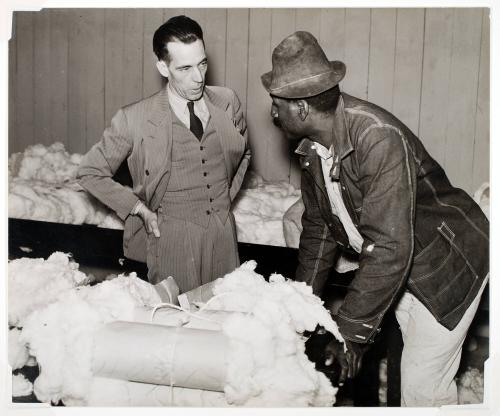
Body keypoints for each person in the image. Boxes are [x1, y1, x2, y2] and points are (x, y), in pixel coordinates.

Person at [261, 31, 489, 406]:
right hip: (403, 268)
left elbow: (389, 247)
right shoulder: (314, 149)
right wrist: (298, 307)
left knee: (422, 391)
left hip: (445, 267)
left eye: (276, 104)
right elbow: (318, 231)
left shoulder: (376, 138)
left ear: (301, 108)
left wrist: (350, 334)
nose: (272, 113)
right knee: (407, 382)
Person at [77, 15, 250, 293]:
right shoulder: (135, 118)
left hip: (222, 234)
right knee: (175, 323)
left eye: (202, 63)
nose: (198, 78)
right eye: (185, 68)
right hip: (171, 236)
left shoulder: (227, 102)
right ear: (163, 67)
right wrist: (138, 209)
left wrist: (225, 200)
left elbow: (244, 154)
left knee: (225, 320)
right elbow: (90, 172)